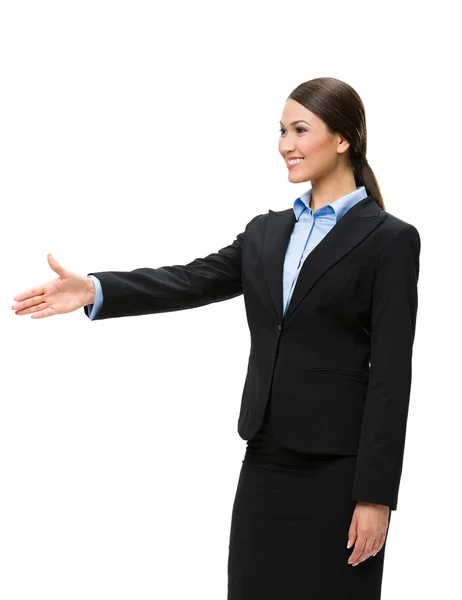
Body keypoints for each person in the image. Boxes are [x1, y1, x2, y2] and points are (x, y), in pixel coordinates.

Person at [11, 76, 420, 599]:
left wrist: (376, 496)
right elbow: (189, 280)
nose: (285, 145)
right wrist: (94, 289)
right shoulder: (266, 232)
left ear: (343, 139)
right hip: (267, 459)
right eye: (280, 131)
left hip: (341, 473)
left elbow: (391, 376)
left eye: (300, 130)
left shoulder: (389, 239)